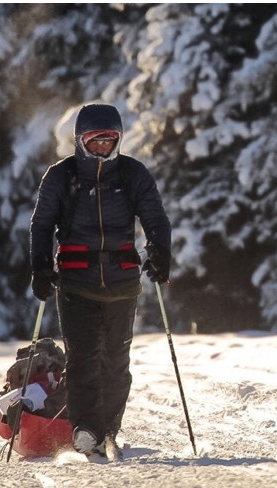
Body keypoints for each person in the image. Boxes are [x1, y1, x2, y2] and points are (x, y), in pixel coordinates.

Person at [29, 103, 171, 459]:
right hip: (75, 283)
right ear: (81, 141)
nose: (103, 147)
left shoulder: (132, 174)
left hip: (122, 283)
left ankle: (108, 430)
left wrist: (160, 253)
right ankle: (86, 429)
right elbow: (41, 225)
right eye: (95, 141)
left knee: (116, 362)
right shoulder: (61, 176)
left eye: (109, 140)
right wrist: (41, 267)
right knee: (83, 358)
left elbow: (155, 217)